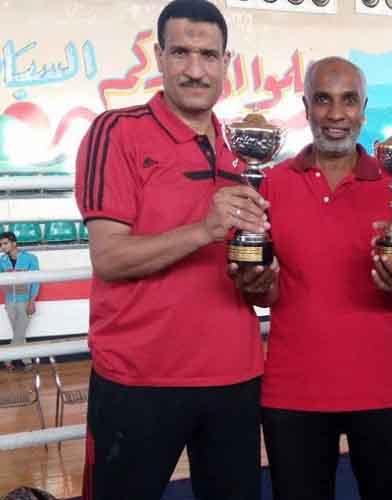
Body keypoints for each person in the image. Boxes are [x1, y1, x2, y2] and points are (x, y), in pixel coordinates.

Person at [73, 1, 270, 499]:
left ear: (227, 62)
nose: (195, 70)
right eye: (181, 52)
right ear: (159, 56)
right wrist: (203, 230)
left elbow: (258, 269)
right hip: (138, 379)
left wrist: (263, 275)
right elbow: (109, 257)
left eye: (209, 55)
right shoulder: (116, 132)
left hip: (234, 375)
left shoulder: (242, 150)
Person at [244, 56, 392, 500]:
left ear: (364, 108)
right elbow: (264, 287)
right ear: (306, 106)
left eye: (349, 100)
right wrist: (256, 285)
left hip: (384, 386)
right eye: (323, 100)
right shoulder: (271, 183)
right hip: (294, 390)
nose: (336, 114)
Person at [0, 231, 39, 368]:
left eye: (5, 243)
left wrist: (31, 301)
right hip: (10, 302)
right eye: (1, 244)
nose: (2, 247)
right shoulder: (2, 260)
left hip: (25, 301)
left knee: (19, 333)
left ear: (14, 243)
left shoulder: (30, 258)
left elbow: (36, 281)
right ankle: (27, 361)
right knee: (19, 334)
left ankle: (6, 359)